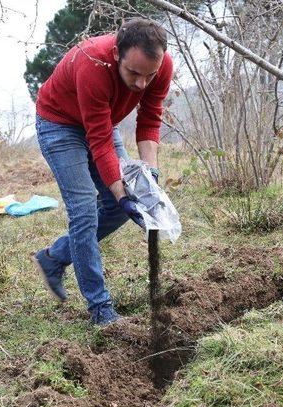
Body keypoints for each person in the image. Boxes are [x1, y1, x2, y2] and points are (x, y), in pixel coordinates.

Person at [31, 18, 172, 326]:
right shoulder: (92, 62)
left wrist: (151, 176)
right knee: (84, 213)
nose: (141, 84)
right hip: (60, 125)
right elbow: (99, 141)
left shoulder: (161, 66)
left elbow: (149, 120)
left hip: (101, 123)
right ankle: (101, 309)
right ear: (117, 55)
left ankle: (54, 258)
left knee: (121, 206)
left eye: (149, 75)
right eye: (133, 73)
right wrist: (120, 193)